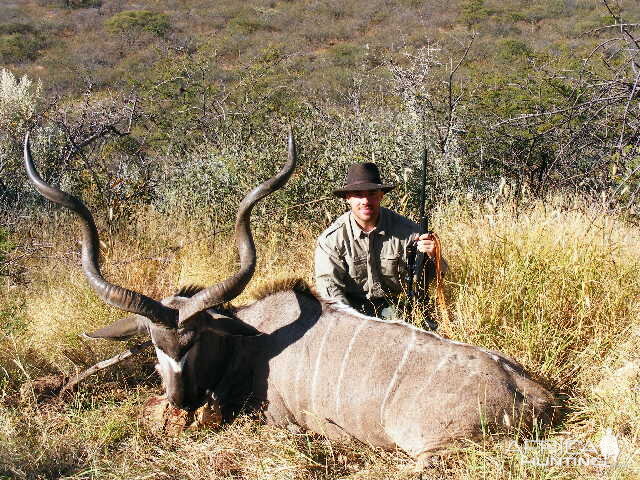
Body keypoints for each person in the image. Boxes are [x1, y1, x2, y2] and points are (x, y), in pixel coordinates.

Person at [314, 162, 447, 320]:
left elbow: (432, 278)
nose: (365, 200)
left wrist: (434, 256)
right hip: (351, 313)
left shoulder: (409, 232)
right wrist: (350, 323)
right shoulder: (331, 240)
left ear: (381, 195)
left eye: (371, 193)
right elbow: (330, 291)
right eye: (358, 195)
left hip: (397, 308)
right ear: (348, 198)